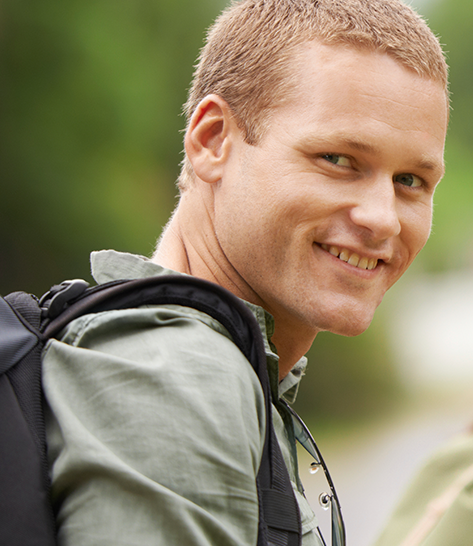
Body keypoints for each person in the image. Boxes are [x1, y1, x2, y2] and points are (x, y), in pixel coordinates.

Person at [40, 0, 448, 544]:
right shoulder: (175, 380)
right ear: (212, 141)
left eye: (410, 181)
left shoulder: (236, 375)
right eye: (337, 159)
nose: (381, 218)